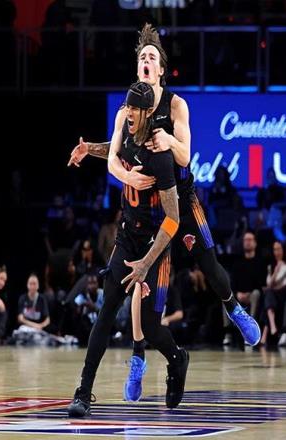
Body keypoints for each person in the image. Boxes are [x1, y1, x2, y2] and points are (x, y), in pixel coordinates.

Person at [67, 23, 259, 348]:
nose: (146, 60)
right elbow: (120, 150)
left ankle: (234, 308)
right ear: (137, 68)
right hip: (152, 211)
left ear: (160, 70)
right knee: (143, 288)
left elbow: (185, 156)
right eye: (142, 56)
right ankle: (140, 354)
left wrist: (169, 140)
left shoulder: (176, 105)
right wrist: (91, 149)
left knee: (208, 264)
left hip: (181, 200)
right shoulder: (129, 109)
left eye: (151, 57)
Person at [68, 81, 187, 418]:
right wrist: (88, 149)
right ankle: (83, 392)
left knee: (149, 327)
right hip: (127, 239)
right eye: (127, 107)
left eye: (134, 108)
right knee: (107, 310)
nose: (128, 113)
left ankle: (177, 358)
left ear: (147, 112)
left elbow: (174, 219)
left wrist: (146, 264)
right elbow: (115, 150)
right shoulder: (128, 134)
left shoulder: (160, 156)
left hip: (155, 246)